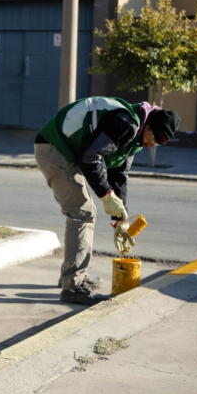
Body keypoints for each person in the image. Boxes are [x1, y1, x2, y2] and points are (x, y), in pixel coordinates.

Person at [35, 97, 180, 305]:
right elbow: (89, 157)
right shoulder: (125, 123)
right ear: (149, 125)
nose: (151, 145)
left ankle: (72, 276)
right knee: (82, 212)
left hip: (64, 150)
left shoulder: (134, 139)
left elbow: (119, 177)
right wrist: (106, 195)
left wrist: (121, 219)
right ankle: (73, 286)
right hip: (54, 148)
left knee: (83, 211)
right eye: (155, 138)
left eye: (159, 143)